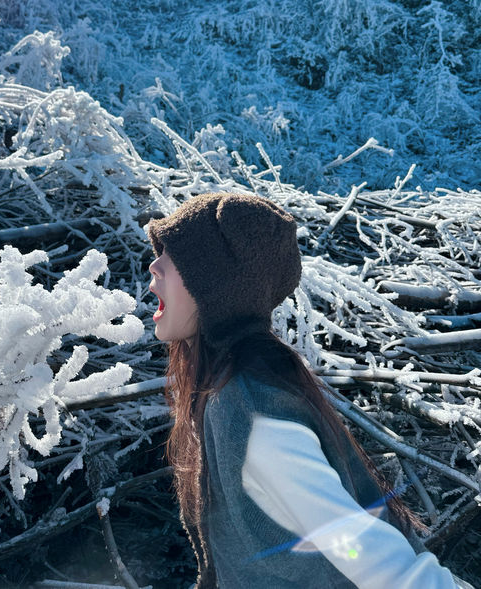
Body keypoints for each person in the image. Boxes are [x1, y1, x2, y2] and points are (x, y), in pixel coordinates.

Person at [147, 192, 474, 589]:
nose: (155, 264)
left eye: (177, 256)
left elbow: (376, 560)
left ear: (218, 285)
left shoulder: (250, 408)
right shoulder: (233, 389)